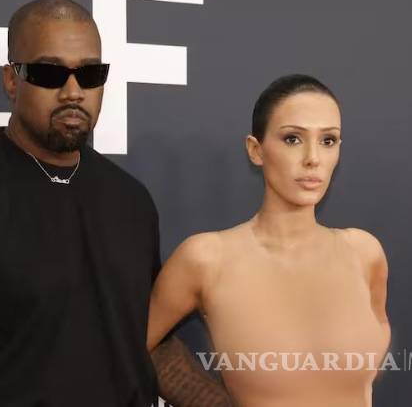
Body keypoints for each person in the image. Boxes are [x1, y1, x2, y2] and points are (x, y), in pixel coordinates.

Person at [0, 0, 231, 407]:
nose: (73, 92)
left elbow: (148, 347)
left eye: (90, 74)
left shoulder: (131, 201)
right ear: (11, 80)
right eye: (50, 73)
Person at [147, 74, 391, 407]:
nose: (313, 158)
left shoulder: (364, 253)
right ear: (256, 150)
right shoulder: (207, 259)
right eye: (293, 139)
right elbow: (129, 348)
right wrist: (206, 399)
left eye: (328, 140)